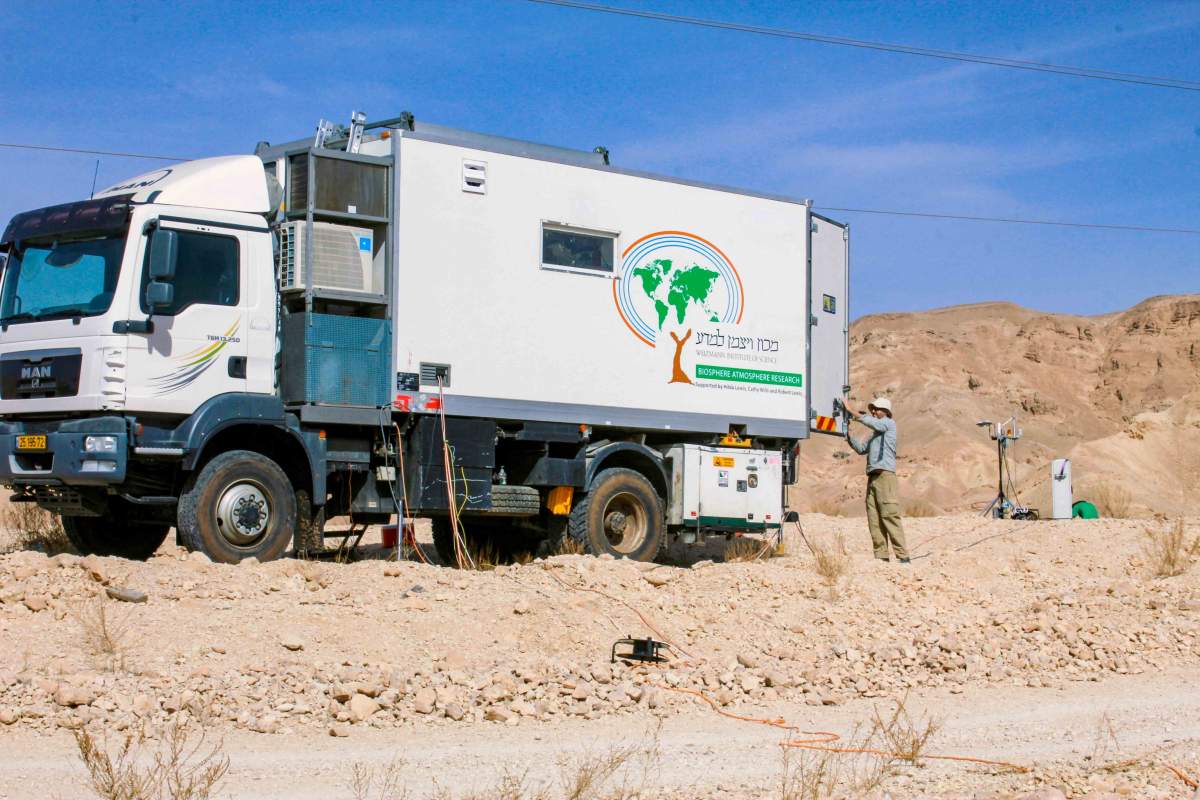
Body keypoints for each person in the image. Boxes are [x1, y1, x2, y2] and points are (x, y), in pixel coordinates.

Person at [845, 397, 910, 563]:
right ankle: (881, 557)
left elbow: (871, 422)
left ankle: (903, 557)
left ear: (886, 411)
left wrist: (850, 409)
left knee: (889, 515)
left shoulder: (888, 424)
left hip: (885, 477)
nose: (873, 412)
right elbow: (861, 449)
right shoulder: (875, 434)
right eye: (872, 409)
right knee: (874, 519)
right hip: (873, 478)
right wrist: (848, 434)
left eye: (876, 409)